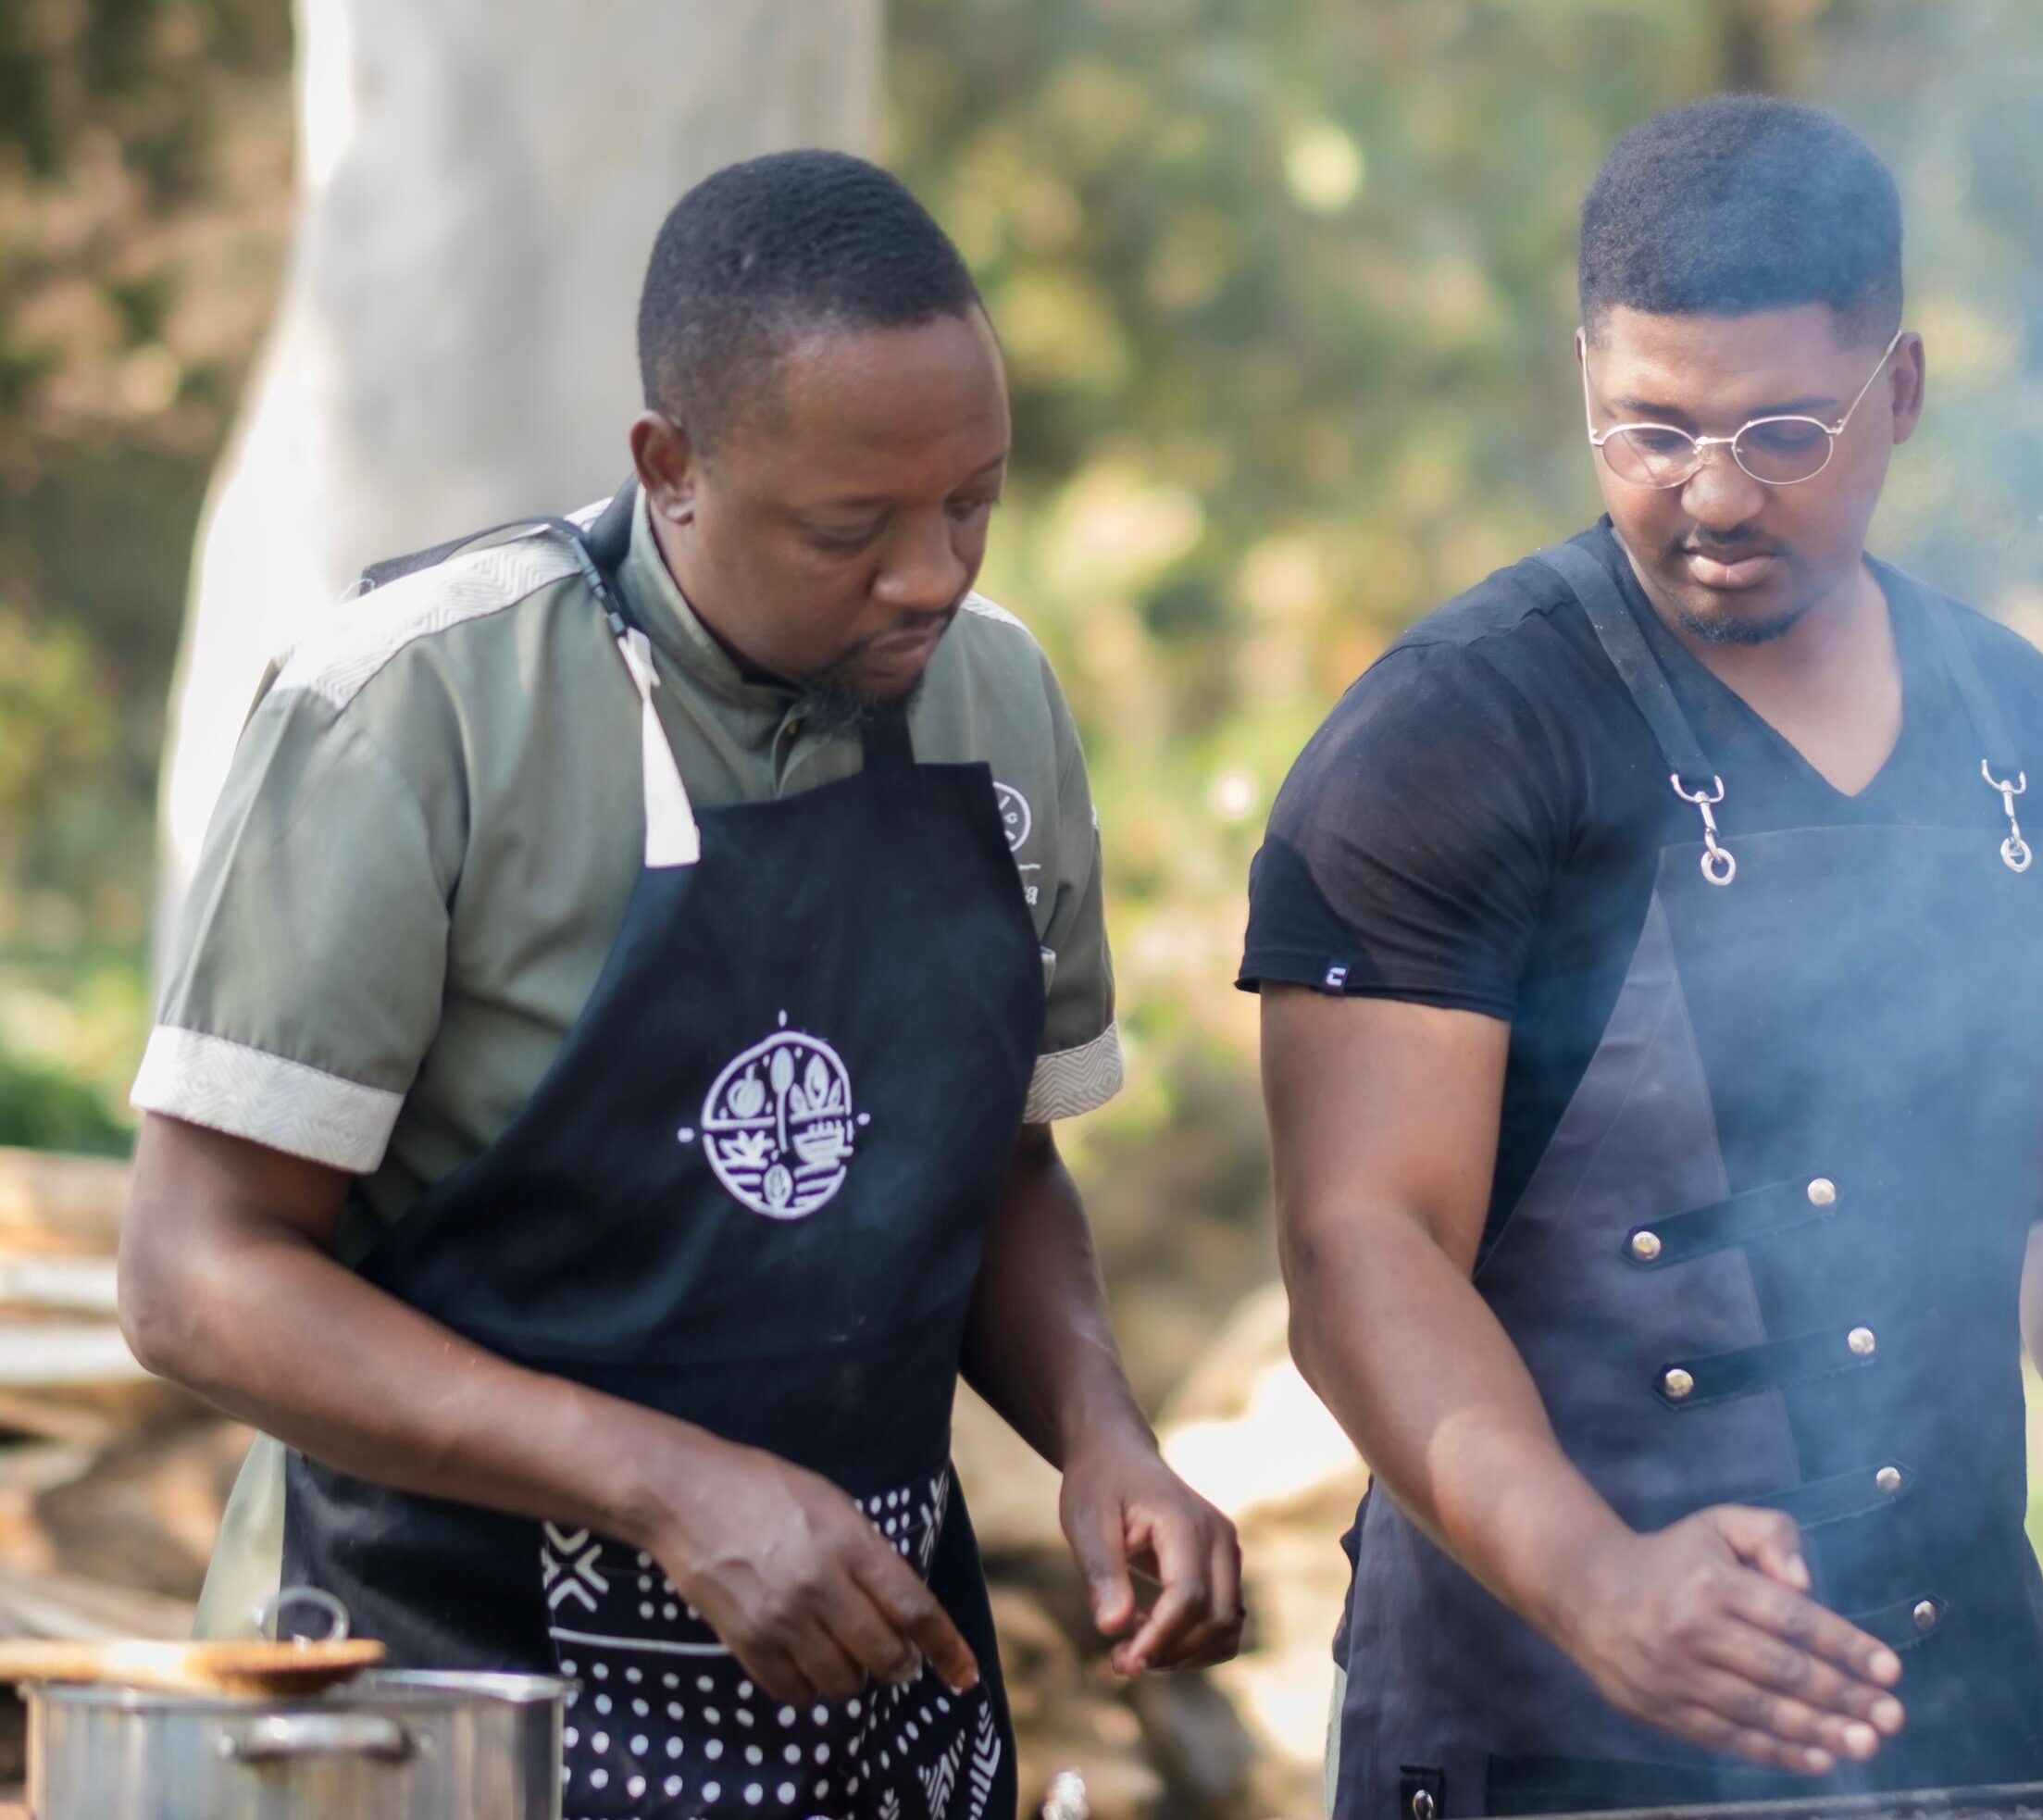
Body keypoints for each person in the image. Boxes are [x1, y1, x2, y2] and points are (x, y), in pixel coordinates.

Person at [1242, 96, 2043, 1818]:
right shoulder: (1451, 744)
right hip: (1546, 1740)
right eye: (1649, 431)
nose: (1714, 495)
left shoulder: (2032, 745)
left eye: (1784, 431)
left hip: (1969, 1722)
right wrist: (1595, 1574)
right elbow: (1361, 1242)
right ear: (1582, 380)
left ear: (1898, 390)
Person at [118, 150, 1241, 1820]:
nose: (931, 572)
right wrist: (662, 1484)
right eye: (851, 527)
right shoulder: (417, 714)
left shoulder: (994, 699)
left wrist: (1101, 1429)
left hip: (856, 1699)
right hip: (427, 1699)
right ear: (672, 467)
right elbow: (193, 1274)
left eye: (974, 502)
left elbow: (997, 1162)